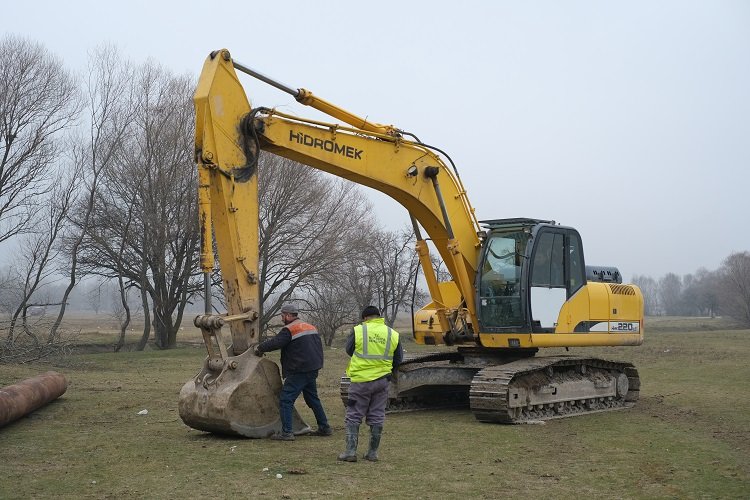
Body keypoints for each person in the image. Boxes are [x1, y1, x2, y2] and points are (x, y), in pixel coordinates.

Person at [254, 303, 333, 441]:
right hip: (312, 367)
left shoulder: (290, 329)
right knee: (312, 398)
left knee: (285, 399)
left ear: (289, 315)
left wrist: (260, 348)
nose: (281, 318)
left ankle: (287, 433)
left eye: (283, 315)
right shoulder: (310, 327)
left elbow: (276, 343)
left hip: (299, 369)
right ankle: (324, 427)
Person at [338, 305, 403, 462]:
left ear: (365, 317)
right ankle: (372, 453)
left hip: (361, 381)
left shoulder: (359, 330)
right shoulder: (392, 333)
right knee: (377, 414)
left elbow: (349, 350)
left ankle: (350, 452)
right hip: (382, 382)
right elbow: (398, 359)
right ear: (378, 316)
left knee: (354, 414)